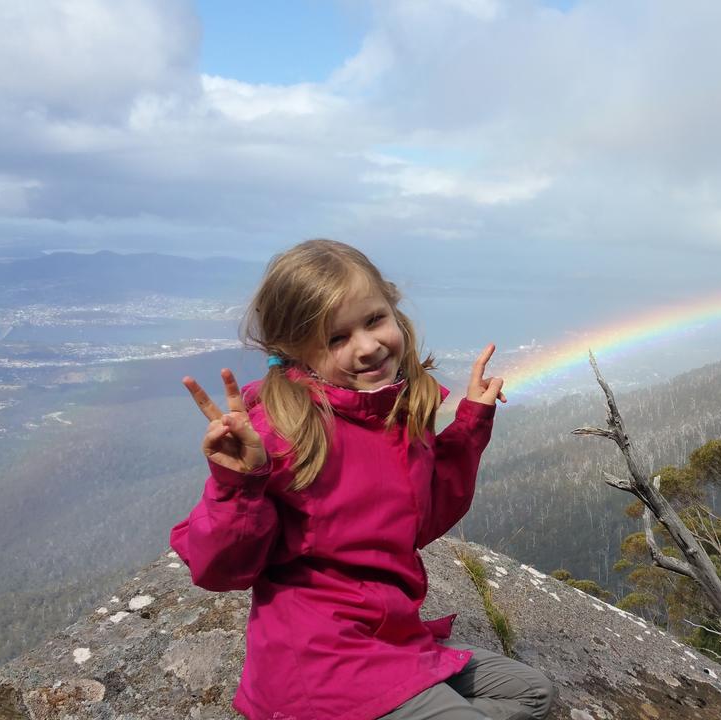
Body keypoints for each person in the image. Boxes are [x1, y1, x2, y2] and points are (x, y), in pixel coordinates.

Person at [171, 239, 556, 720]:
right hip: (320, 666)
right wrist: (238, 485)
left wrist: (470, 423)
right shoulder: (283, 433)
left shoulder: (392, 414)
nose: (368, 346)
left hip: (389, 639)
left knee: (534, 693)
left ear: (394, 310)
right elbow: (220, 569)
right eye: (336, 339)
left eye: (374, 320)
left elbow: (422, 519)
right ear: (295, 352)